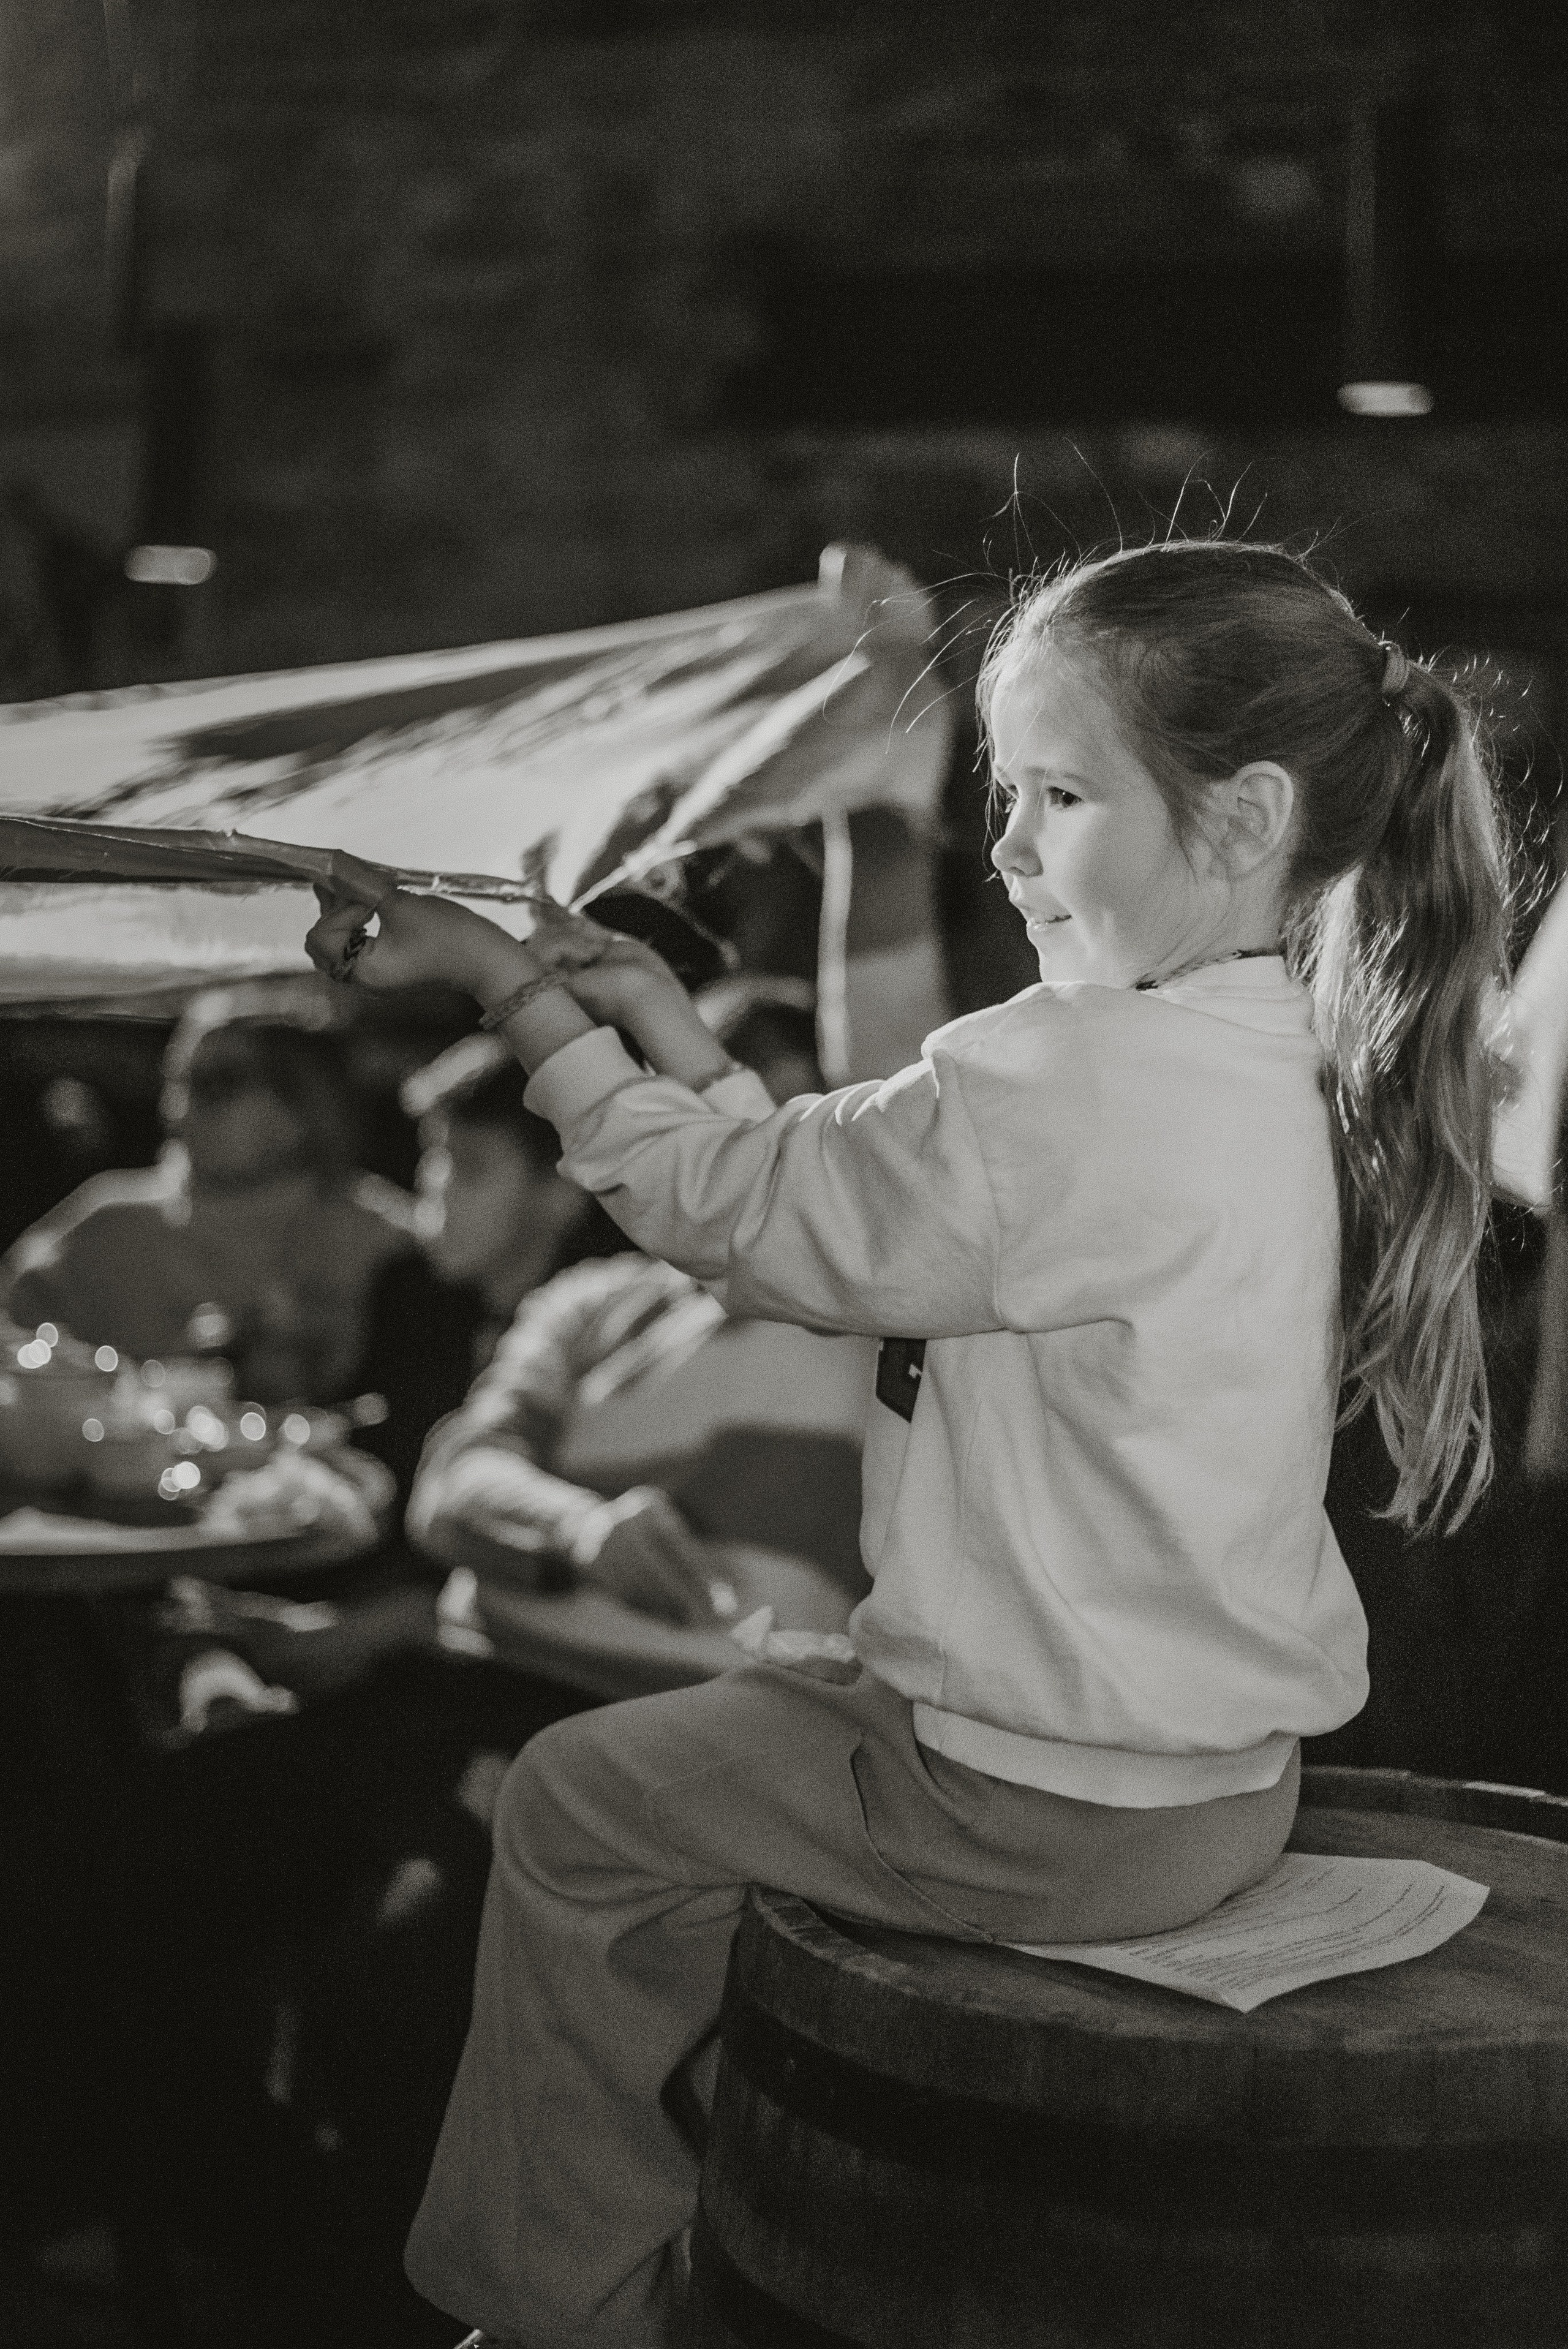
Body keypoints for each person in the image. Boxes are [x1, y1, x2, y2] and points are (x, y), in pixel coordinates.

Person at [304, 535, 1509, 2349]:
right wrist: (658, 1024)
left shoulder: (1079, 1070)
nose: (1006, 846)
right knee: (724, 1756)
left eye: (1056, 796)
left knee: (568, 1804)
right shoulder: (1279, 1051)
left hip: (1034, 1806)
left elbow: (748, 1220)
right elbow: (877, 1213)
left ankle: (565, 2307)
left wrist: (507, 987)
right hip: (1212, 1787)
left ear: (1247, 816)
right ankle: (697, 2191)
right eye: (996, 793)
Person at [405, 986, 873, 1646]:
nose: (760, 1145)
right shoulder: (589, 1299)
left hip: (704, 1698)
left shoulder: (892, 1326)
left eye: (797, 1119)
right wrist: (579, 1530)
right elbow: (449, 1483)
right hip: (485, 1669)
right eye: (713, 1114)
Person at [1, 979, 415, 1403]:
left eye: (215, 1085)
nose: (178, 1110)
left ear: (302, 1105)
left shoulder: (381, 1239)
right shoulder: (107, 1230)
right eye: (177, 1082)